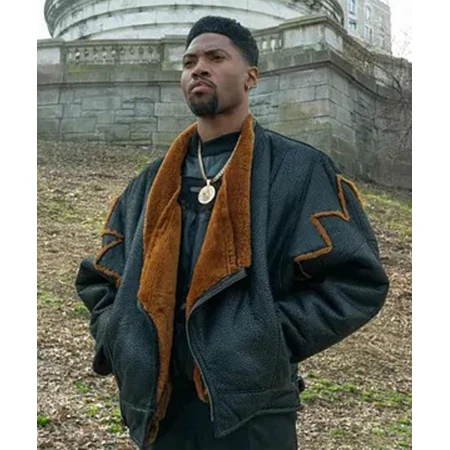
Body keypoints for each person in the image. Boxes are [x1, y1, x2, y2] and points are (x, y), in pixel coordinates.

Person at [75, 15, 389, 450]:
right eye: (189, 62)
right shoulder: (147, 185)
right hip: (160, 412)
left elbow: (356, 281)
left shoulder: (298, 170)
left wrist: (265, 338)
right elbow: (100, 280)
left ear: (250, 77)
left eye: (215, 58)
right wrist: (120, 336)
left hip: (253, 414)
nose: (198, 68)